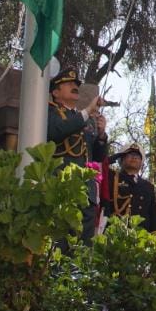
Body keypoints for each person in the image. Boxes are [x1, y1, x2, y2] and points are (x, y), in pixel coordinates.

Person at [47, 66, 109, 241]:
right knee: (60, 245)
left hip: (85, 194)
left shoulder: (84, 119)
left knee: (82, 248)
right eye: (68, 84)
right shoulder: (50, 111)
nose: (74, 86)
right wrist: (87, 111)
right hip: (62, 189)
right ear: (56, 92)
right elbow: (56, 131)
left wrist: (102, 135)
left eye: (76, 84)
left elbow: (97, 157)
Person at [105, 143, 156, 232]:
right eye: (130, 154)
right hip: (116, 233)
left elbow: (153, 215)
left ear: (142, 163)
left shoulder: (148, 186)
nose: (134, 157)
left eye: (138, 156)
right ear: (122, 159)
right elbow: (102, 164)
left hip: (141, 235)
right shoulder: (112, 177)